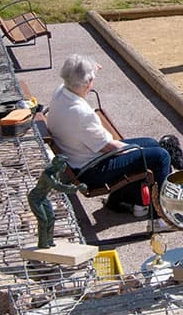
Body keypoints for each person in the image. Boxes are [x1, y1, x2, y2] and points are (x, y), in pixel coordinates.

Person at [45, 54, 173, 220]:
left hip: (77, 156)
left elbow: (76, 69)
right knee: (161, 156)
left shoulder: (61, 91)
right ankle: (162, 214)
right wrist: (137, 150)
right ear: (88, 83)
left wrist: (91, 68)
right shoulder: (81, 114)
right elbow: (111, 148)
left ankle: (124, 199)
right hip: (92, 169)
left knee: (152, 143)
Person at [27, 155, 87, 249]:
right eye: (63, 164)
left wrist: (74, 188)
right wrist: (76, 188)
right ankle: (42, 243)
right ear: (57, 165)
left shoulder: (56, 172)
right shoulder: (48, 175)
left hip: (43, 197)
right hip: (35, 198)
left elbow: (60, 184)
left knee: (51, 218)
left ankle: (49, 241)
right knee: (43, 220)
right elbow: (58, 187)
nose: (65, 166)